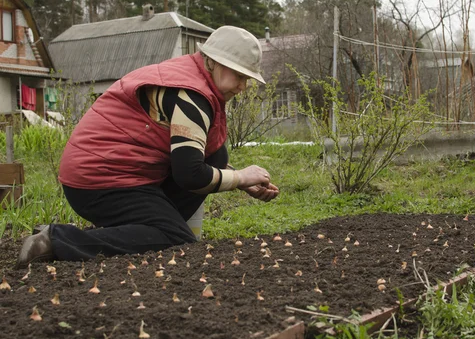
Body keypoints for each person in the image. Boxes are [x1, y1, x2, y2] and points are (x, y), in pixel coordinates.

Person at [16, 26, 279, 268]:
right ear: (213, 61)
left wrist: (239, 180)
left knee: (216, 155)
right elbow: (191, 174)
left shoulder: (191, 77)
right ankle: (57, 240)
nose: (243, 86)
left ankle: (133, 232)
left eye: (247, 78)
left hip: (116, 171)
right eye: (239, 75)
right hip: (98, 179)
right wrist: (241, 176)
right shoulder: (193, 96)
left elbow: (195, 159)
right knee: (174, 237)